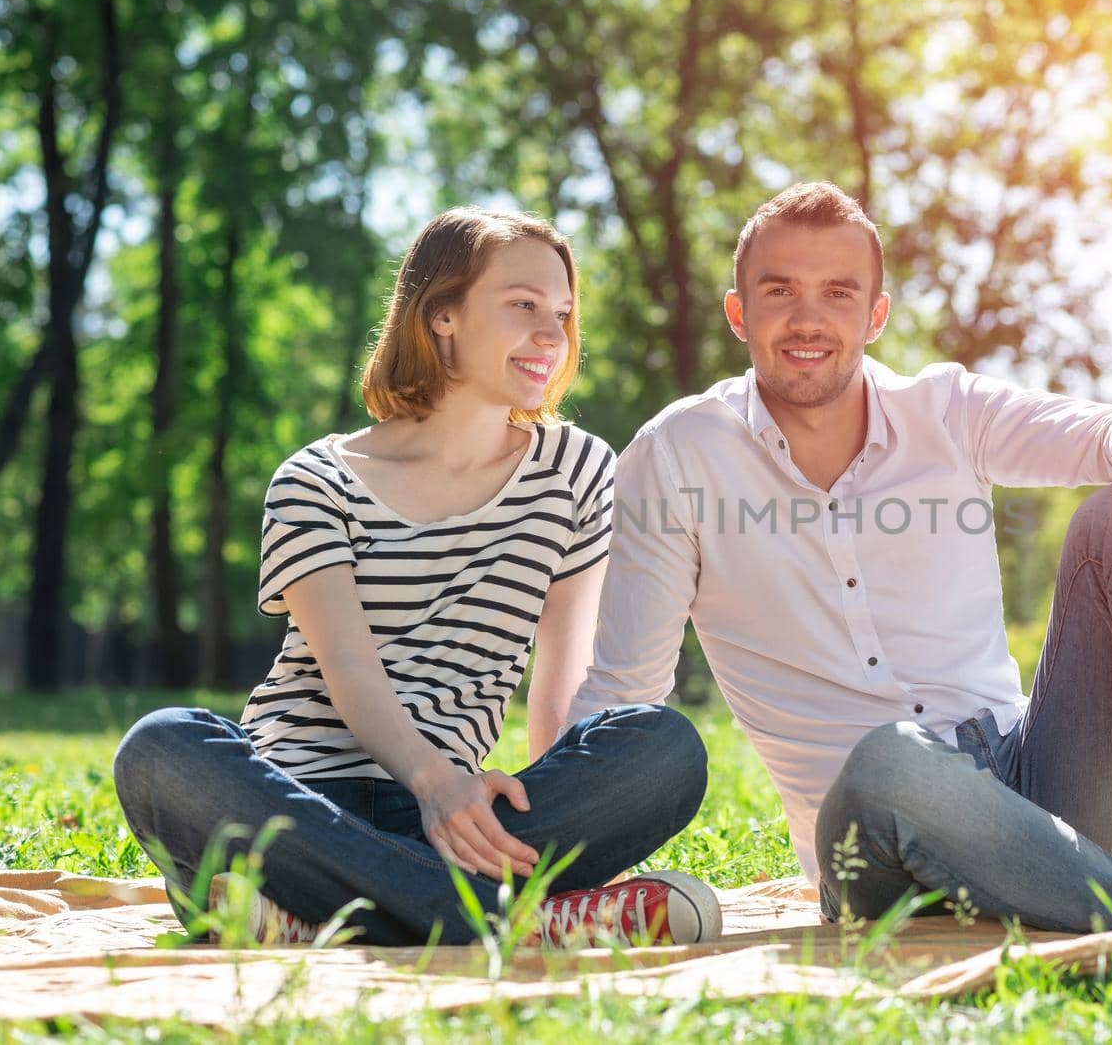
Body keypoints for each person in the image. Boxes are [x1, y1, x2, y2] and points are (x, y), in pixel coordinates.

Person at [562, 182, 1112, 933]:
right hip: (873, 843)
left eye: (838, 293)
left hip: (1042, 795)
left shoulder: (946, 410)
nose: (807, 318)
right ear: (739, 313)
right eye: (778, 290)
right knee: (889, 760)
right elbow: (625, 691)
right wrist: (561, 863)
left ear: (875, 315)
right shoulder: (677, 455)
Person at [114, 207, 720, 947]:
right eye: (523, 305)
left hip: (462, 820)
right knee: (163, 748)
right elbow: (350, 671)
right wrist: (432, 782)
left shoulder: (576, 469)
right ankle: (512, 922)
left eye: (561, 314)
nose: (552, 337)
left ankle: (323, 916)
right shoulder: (317, 480)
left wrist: (552, 803)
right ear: (442, 316)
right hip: (295, 802)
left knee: (665, 747)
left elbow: (561, 688)